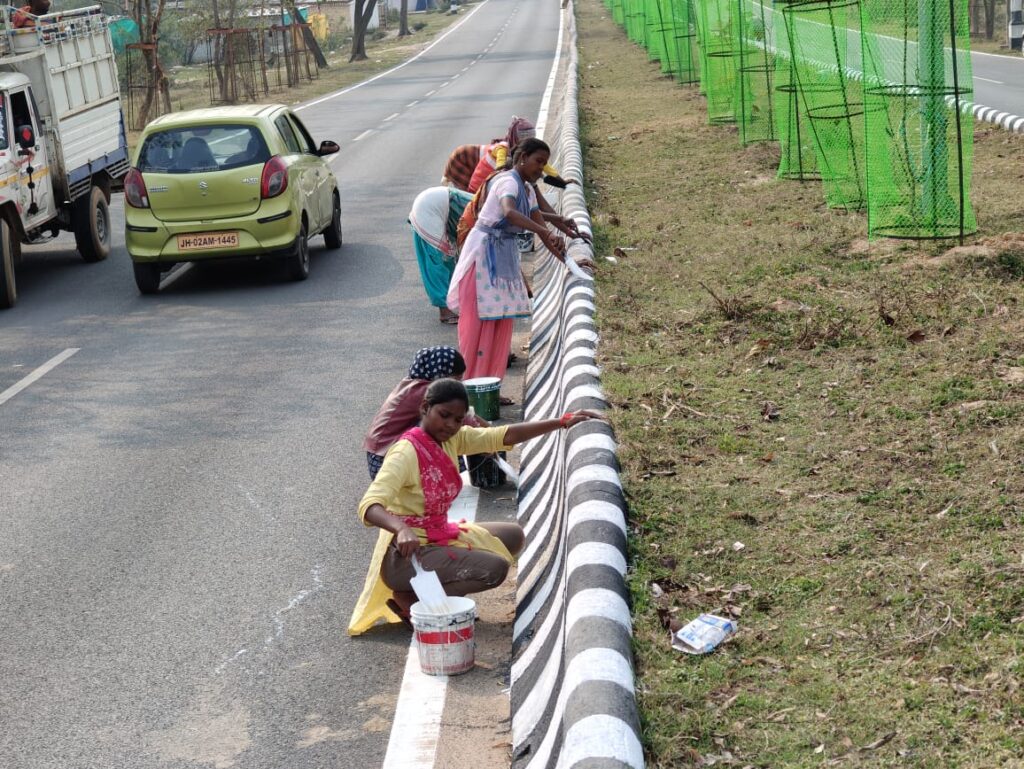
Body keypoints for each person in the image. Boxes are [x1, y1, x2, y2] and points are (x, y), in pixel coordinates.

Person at [348, 377, 603, 634]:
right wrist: (401, 529)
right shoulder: (406, 453)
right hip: (406, 558)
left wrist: (561, 421)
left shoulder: (450, 439)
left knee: (513, 536)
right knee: (495, 570)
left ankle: (427, 594)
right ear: (425, 407)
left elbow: (502, 435)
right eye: (444, 415)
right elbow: (370, 504)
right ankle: (415, 600)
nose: (450, 425)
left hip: (439, 534)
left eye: (458, 420)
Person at [446, 138, 572, 389]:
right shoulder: (507, 181)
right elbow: (509, 212)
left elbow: (543, 228)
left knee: (500, 325)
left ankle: (491, 388)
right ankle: (469, 389)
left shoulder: (527, 190)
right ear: (522, 158)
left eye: (544, 163)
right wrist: (545, 231)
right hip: (483, 258)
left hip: (503, 257)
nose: (541, 168)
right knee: (478, 328)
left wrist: (569, 261)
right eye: (538, 161)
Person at [363, 346, 467, 479]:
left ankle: (450, 476)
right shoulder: (427, 391)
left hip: (379, 452)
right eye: (456, 380)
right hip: (384, 460)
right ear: (442, 374)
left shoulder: (413, 383)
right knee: (445, 428)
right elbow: (464, 417)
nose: (458, 385)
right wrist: (488, 432)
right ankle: (452, 477)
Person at [408, 186, 473, 324]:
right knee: (438, 262)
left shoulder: (486, 206)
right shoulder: (486, 212)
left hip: (433, 207)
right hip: (428, 211)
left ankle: (451, 302)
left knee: (449, 262)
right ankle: (445, 310)